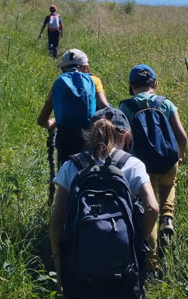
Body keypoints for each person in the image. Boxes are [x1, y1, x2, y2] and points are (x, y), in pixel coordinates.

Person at [49, 107, 159, 297]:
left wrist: (60, 270)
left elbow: (57, 220)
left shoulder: (72, 165)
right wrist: (136, 239)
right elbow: (152, 207)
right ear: (125, 137)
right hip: (122, 267)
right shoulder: (133, 165)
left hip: (81, 269)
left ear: (90, 134)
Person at [119, 64, 188, 272]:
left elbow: (123, 141)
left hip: (142, 167)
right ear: (155, 84)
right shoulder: (166, 103)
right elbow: (182, 136)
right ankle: (168, 217)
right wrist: (180, 155)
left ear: (132, 86)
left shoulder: (126, 107)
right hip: (168, 160)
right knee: (169, 186)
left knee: (148, 209)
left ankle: (152, 264)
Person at [37, 49, 109, 166]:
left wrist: (55, 121)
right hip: (91, 137)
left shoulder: (58, 83)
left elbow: (41, 121)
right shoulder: (94, 81)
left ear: (63, 69)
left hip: (66, 139)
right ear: (86, 67)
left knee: (67, 176)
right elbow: (104, 106)